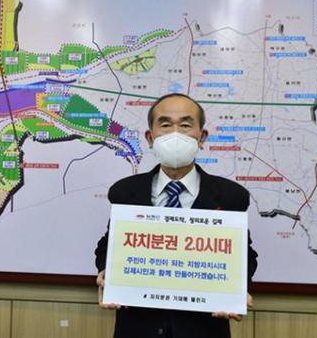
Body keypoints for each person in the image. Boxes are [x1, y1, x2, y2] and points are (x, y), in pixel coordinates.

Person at [95, 93, 258, 338]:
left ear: (202, 137)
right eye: (165, 124)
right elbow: (108, 247)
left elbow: (245, 255)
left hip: (203, 329)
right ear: (150, 138)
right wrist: (106, 274)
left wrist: (236, 290)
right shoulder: (125, 192)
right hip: (139, 327)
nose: (175, 134)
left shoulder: (230, 196)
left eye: (185, 125)